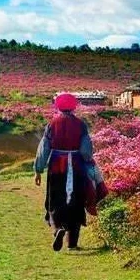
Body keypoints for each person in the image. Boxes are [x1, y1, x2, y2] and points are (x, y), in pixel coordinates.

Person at [34, 92, 94, 251]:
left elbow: (43, 149)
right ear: (74, 107)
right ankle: (72, 244)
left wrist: (38, 170)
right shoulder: (81, 125)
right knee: (76, 201)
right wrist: (89, 164)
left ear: (58, 106)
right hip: (76, 167)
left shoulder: (52, 124)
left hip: (56, 166)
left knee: (55, 199)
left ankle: (58, 228)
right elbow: (86, 151)